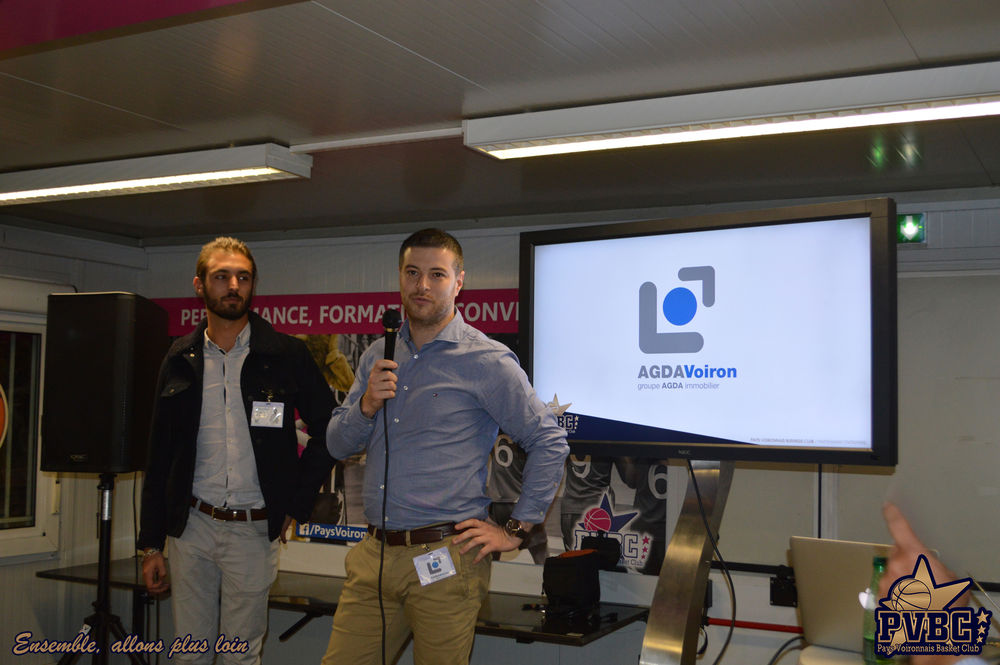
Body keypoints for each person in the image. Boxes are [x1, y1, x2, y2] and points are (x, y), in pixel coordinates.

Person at [322, 228, 569, 665]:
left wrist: (515, 531)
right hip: (373, 556)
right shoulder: (378, 354)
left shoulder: (486, 360)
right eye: (412, 273)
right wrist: (365, 405)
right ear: (400, 278)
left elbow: (548, 440)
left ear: (458, 283)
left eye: (437, 274)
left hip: (446, 559)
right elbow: (337, 444)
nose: (422, 285)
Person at [137, 237, 335, 664]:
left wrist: (295, 502)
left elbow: (330, 431)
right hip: (191, 527)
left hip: (252, 529)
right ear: (199, 285)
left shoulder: (285, 354)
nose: (233, 286)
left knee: (239, 657)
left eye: (243, 278)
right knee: (189, 656)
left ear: (253, 286)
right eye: (221, 276)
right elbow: (159, 454)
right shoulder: (179, 357)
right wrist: (150, 545)